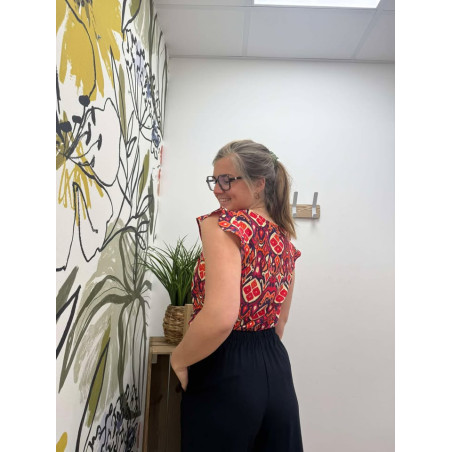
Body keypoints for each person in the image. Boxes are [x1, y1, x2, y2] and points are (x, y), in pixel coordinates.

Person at [170, 139, 304, 451]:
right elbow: (280, 322)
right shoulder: (283, 237)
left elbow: (220, 317)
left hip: (225, 366)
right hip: (276, 367)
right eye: (214, 180)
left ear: (259, 184)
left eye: (227, 180)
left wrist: (179, 359)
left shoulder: (224, 225)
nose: (218, 189)